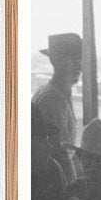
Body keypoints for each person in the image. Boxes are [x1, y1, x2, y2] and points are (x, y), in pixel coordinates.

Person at [32, 32, 82, 182]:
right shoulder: (52, 100)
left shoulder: (60, 94)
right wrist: (73, 192)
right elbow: (60, 154)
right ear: (56, 62)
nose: (78, 67)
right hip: (53, 186)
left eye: (79, 61)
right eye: (70, 61)